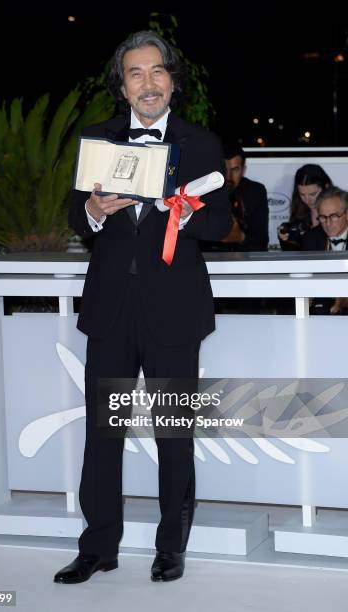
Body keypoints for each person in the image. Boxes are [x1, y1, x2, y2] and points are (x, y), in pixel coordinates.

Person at [53, 31, 232, 585]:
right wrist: (94, 207)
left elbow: (221, 224)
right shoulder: (96, 138)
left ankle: (169, 546)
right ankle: (98, 545)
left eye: (157, 72)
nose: (148, 83)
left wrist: (177, 211)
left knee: (173, 433)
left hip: (174, 310)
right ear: (123, 86)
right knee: (103, 433)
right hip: (110, 308)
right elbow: (76, 219)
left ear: (171, 80)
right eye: (136, 73)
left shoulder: (199, 142)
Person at [200, 144, 268, 251]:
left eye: (235, 169)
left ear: (243, 170)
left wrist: (240, 236)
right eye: (224, 169)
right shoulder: (202, 191)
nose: (228, 177)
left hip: (245, 262)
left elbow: (261, 243)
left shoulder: (255, 191)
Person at [302, 186, 348, 314]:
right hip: (321, 306)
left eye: (333, 216)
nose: (328, 223)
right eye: (323, 217)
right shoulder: (310, 238)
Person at [278, 164, 332, 250]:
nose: (307, 200)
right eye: (302, 194)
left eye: (312, 194)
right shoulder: (300, 216)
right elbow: (295, 255)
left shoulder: (339, 213)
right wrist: (286, 240)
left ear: (326, 187)